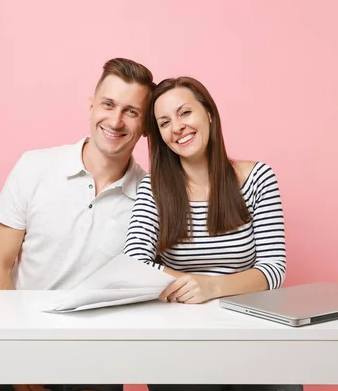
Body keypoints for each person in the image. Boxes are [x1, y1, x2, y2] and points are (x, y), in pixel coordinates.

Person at [0, 57, 154, 391]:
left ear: (145, 126)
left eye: (131, 111)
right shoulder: (34, 167)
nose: (115, 120)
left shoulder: (151, 198)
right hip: (17, 336)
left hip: (94, 356)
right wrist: (17, 355)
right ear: (90, 107)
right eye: (108, 104)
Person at [123, 76, 302, 391]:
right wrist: (192, 288)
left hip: (250, 329)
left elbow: (274, 269)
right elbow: (135, 262)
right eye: (164, 122)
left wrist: (212, 287)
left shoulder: (258, 178)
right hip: (178, 336)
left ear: (208, 113)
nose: (177, 127)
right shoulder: (152, 188)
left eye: (184, 113)